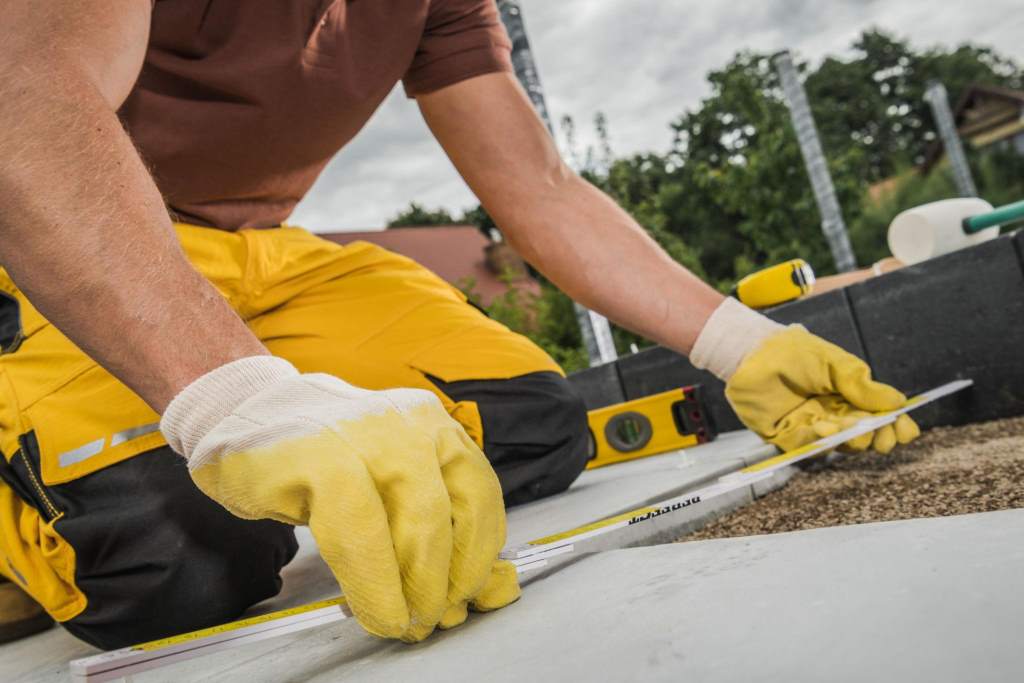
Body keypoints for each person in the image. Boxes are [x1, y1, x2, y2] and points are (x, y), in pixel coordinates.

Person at [0, 0, 919, 650]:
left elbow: (541, 187)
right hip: (58, 248)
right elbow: (25, 98)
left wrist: (738, 342)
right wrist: (241, 398)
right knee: (176, 560)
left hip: (264, 258)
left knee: (531, 422)